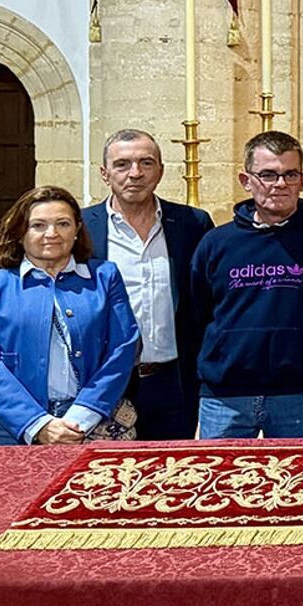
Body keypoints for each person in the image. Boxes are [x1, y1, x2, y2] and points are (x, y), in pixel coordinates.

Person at [186, 131, 303, 439]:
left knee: (293, 481)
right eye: (268, 174)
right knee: (223, 483)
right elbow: (196, 313)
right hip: (225, 395)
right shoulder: (216, 243)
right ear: (246, 180)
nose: (280, 184)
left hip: (296, 393)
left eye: (289, 174)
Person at [0, 186, 139, 445]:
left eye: (63, 223)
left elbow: (123, 349)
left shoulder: (105, 277)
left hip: (92, 422)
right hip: (12, 428)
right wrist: (38, 425)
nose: (52, 234)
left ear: (78, 229)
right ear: (20, 232)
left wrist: (81, 417)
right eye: (38, 225)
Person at [80, 129, 214, 440]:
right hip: (104, 380)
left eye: (146, 163)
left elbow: (207, 300)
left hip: (173, 379)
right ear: (104, 173)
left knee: (169, 471)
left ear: (161, 171)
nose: (135, 174)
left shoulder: (192, 224)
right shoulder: (82, 227)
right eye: (122, 164)